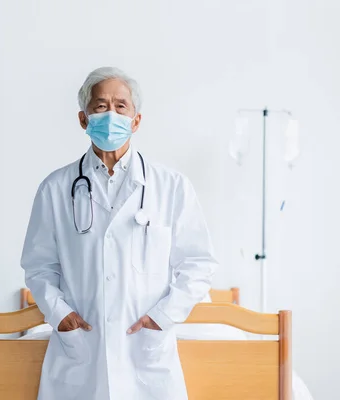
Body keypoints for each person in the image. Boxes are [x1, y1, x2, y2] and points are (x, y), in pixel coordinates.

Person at [20, 66, 218, 400]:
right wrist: (59, 314)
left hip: (146, 348)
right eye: (100, 106)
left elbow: (199, 263)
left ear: (136, 120)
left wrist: (164, 316)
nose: (110, 114)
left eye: (120, 106)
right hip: (81, 348)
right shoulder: (55, 188)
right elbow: (39, 266)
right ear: (84, 119)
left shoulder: (171, 187)